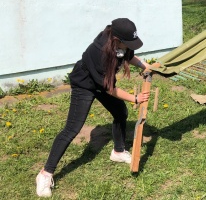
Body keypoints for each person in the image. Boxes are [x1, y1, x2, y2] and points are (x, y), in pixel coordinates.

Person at [36, 18, 151, 197]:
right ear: (116, 39)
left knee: (120, 112)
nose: (130, 46)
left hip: (102, 83)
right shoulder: (99, 52)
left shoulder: (122, 43)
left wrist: (145, 66)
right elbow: (110, 88)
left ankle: (118, 151)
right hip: (85, 85)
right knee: (72, 128)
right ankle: (45, 173)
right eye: (128, 43)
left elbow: (129, 56)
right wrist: (134, 98)